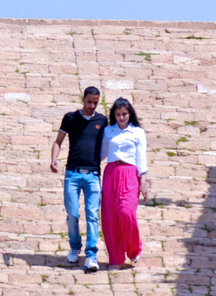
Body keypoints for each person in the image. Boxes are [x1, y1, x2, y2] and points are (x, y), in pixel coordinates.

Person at [50, 86, 108, 273]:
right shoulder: (70, 118)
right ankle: (75, 246)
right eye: (89, 102)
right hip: (73, 174)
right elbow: (58, 141)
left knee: (92, 214)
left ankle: (91, 254)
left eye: (95, 103)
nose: (92, 106)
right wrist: (54, 159)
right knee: (73, 214)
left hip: (92, 175)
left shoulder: (102, 120)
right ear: (83, 99)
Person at [99, 97, 149, 269]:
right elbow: (102, 153)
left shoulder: (137, 133)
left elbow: (141, 158)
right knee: (111, 217)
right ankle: (117, 258)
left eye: (124, 114)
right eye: (118, 114)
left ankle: (134, 249)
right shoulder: (108, 131)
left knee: (126, 212)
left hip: (130, 174)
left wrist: (143, 181)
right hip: (111, 173)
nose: (121, 118)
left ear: (130, 114)